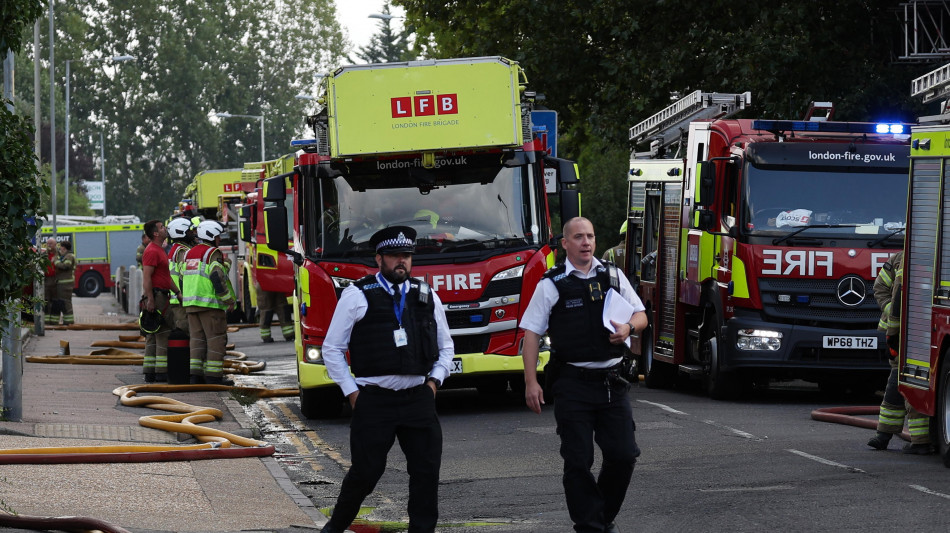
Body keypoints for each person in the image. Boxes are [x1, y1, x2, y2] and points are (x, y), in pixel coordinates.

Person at [320, 226, 454, 533]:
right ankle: (334, 528)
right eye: (394, 256)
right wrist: (352, 393)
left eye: (406, 256)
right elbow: (332, 348)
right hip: (374, 399)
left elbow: (446, 346)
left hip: (418, 398)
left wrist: (434, 381)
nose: (401, 262)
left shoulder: (426, 294)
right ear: (379, 258)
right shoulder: (357, 294)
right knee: (366, 473)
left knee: (425, 473)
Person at [521, 217, 648, 533]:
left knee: (624, 455)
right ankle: (590, 526)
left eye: (590, 236)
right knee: (578, 461)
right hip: (572, 384)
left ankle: (600, 518)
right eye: (578, 237)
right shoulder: (551, 284)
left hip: (612, 382)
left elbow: (641, 314)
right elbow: (531, 335)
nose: (586, 242)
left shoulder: (613, 275)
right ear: (565, 244)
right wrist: (530, 382)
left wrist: (628, 328)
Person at [867, 251, 934, 454]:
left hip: (924, 333)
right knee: (897, 381)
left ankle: (918, 441)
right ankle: (885, 434)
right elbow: (880, 288)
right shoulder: (898, 259)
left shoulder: (938, 259)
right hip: (900, 333)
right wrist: (891, 311)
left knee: (915, 382)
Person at [182, 220, 235, 385]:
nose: (219, 239)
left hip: (191, 305)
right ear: (211, 235)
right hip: (210, 305)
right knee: (215, 339)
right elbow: (216, 278)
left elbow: (184, 276)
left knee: (197, 340)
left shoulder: (190, 253)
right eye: (218, 236)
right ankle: (214, 377)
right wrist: (228, 300)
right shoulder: (213, 253)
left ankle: (195, 376)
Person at [142, 219, 177, 382]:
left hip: (162, 295)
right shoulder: (152, 251)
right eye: (162, 227)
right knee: (162, 332)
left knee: (154, 333)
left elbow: (165, 277)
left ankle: (151, 372)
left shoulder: (159, 250)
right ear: (156, 233)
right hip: (157, 297)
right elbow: (147, 277)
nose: (165, 229)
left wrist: (178, 292)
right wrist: (150, 299)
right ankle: (160, 372)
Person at [166, 218, 196, 334]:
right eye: (189, 231)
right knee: (187, 331)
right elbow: (185, 275)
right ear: (181, 232)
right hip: (181, 300)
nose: (192, 233)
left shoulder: (176, 249)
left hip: (176, 299)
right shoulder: (183, 251)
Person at [52, 240, 76, 325]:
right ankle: (66, 321)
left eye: (61, 247)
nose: (60, 248)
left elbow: (66, 266)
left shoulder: (69, 256)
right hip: (62, 284)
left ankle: (69, 322)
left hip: (66, 285)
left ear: (64, 248)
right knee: (62, 302)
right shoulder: (64, 256)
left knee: (66, 302)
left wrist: (56, 261)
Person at [42, 237, 59, 325]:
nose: (48, 245)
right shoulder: (44, 254)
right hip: (47, 280)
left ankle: (55, 320)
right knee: (46, 300)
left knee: (55, 300)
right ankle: (46, 320)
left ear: (55, 245)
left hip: (56, 280)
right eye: (47, 243)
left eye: (50, 243)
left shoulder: (59, 254)